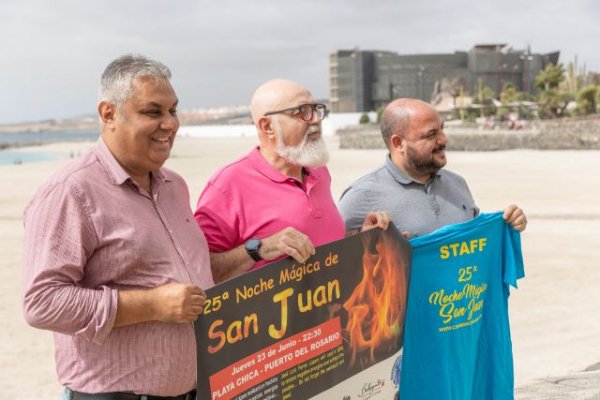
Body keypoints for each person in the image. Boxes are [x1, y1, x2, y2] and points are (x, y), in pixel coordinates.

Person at [22, 54, 214, 399]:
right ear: (108, 114)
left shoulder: (175, 187)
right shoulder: (71, 191)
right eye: (153, 112)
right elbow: (41, 302)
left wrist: (255, 251)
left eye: (173, 111)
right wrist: (153, 305)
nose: (170, 124)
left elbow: (190, 272)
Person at [194, 79, 388, 283]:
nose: (315, 120)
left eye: (316, 109)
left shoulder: (318, 170)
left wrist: (360, 236)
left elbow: (324, 240)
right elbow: (200, 271)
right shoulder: (227, 185)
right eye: (302, 111)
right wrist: (259, 249)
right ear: (267, 126)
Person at [339, 98, 527, 237]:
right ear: (398, 144)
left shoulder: (458, 183)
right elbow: (338, 270)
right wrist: (369, 244)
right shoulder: (361, 196)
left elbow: (477, 242)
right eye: (431, 134)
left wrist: (508, 223)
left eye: (442, 129)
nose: (444, 139)